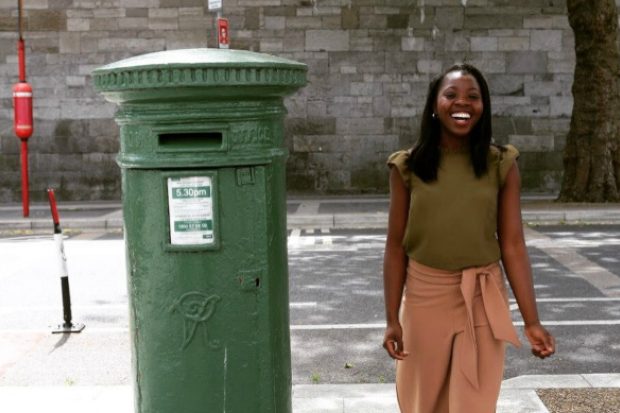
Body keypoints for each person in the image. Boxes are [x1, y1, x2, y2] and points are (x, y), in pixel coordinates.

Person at [382, 63, 555, 413]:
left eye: (473, 97)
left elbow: (513, 245)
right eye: (451, 95)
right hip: (424, 297)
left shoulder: (501, 163)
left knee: (473, 403)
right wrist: (392, 319)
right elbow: (396, 247)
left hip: (482, 296)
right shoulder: (408, 166)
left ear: (484, 106)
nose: (462, 103)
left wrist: (531, 320)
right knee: (422, 403)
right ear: (434, 104)